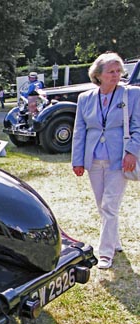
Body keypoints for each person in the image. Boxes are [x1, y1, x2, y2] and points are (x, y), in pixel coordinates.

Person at [71, 52, 140, 269]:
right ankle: (115, 241)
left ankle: (105, 253)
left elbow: (138, 127)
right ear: (98, 75)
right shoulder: (85, 98)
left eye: (118, 71)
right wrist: (77, 160)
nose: (116, 75)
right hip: (93, 159)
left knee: (110, 205)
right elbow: (79, 130)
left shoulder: (132, 95)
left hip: (119, 160)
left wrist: (131, 152)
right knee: (102, 205)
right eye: (111, 71)